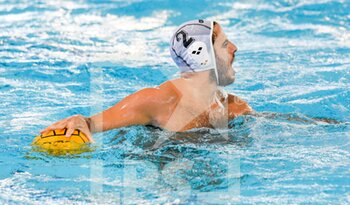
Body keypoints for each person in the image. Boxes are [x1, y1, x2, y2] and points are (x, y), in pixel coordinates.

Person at [40, 20, 253, 142]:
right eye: (225, 45)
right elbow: (91, 123)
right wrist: (80, 121)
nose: (235, 49)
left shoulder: (235, 107)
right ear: (202, 55)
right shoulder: (156, 101)